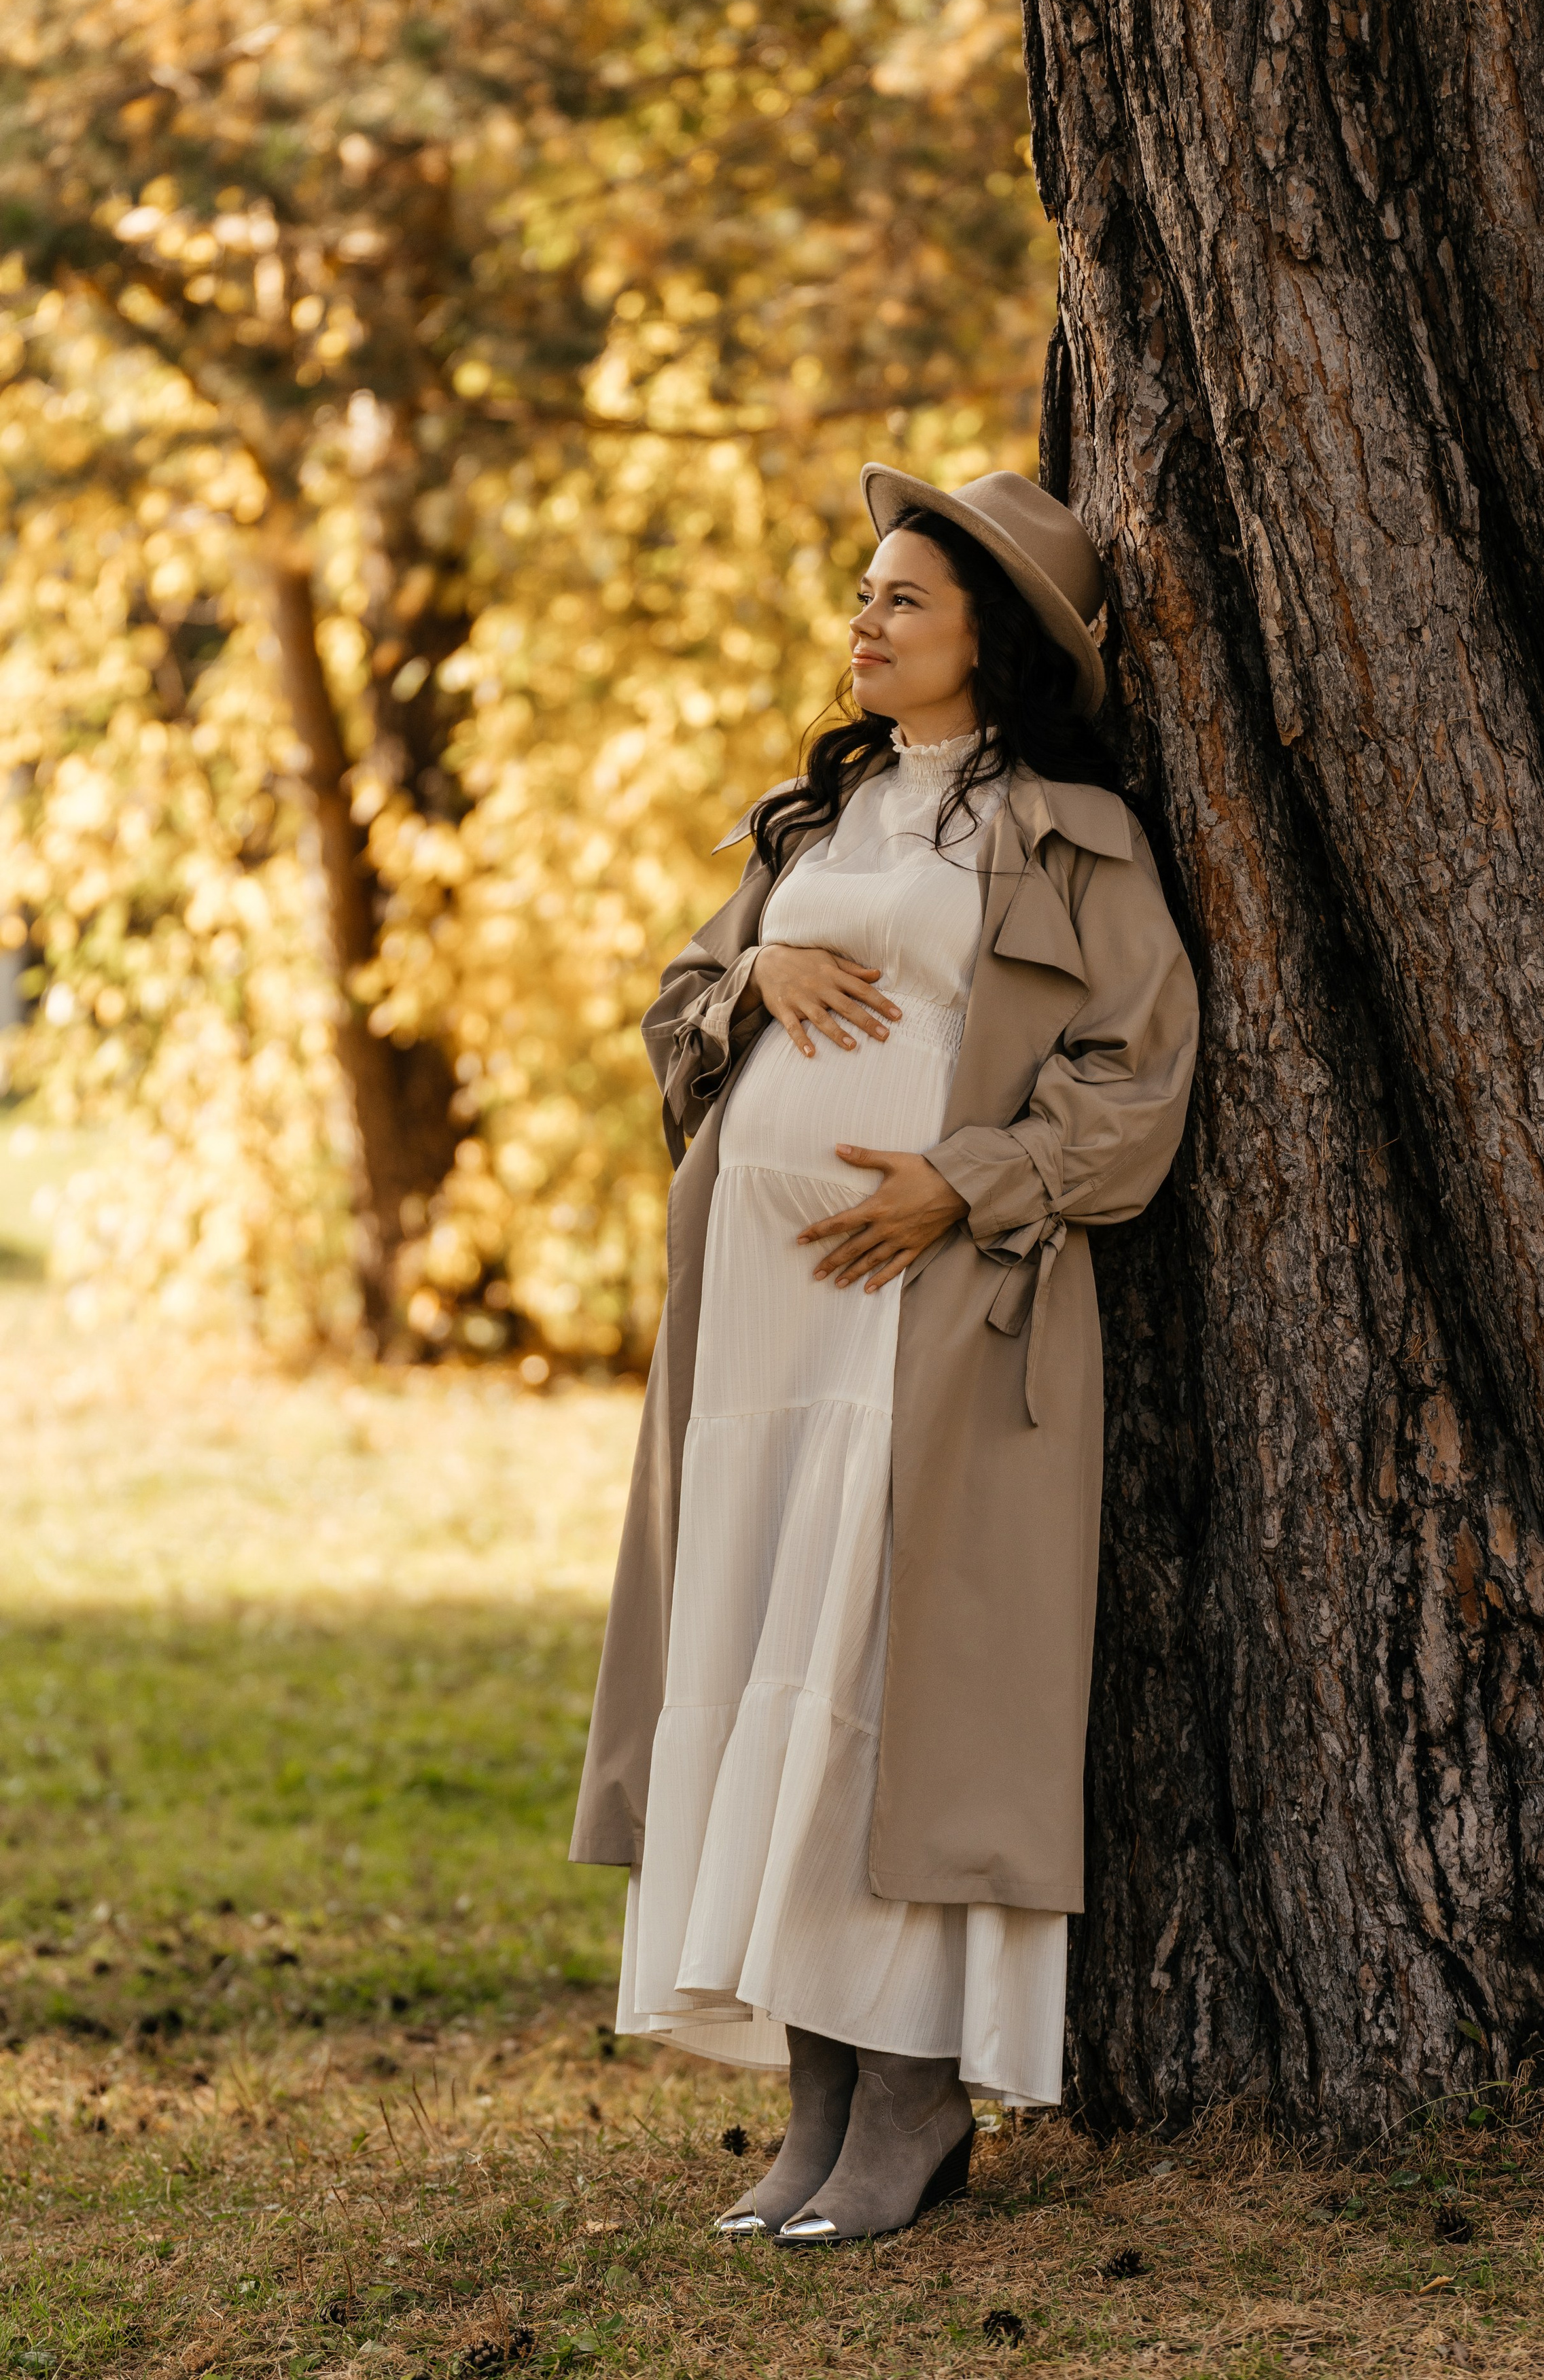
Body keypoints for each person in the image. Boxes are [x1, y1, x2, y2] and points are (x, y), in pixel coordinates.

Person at [570, 465, 1198, 2243]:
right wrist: (750, 984)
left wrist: (961, 1184)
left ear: (986, 638)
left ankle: (909, 2101)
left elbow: (1138, 1084)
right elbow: (677, 1018)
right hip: (761, 1334)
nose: (865, 621)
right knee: (768, 1650)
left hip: (933, 1328)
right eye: (863, 594)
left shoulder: (1074, 837)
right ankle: (816, 2097)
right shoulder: (805, 835)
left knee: (878, 1677)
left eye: (903, 599)